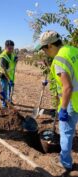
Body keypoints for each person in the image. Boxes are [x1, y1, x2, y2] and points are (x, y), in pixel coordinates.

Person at [36, 30, 78, 171]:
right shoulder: (73, 50)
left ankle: (65, 163)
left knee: (65, 132)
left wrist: (64, 109)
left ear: (50, 46)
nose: (44, 52)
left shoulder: (59, 59)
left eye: (43, 49)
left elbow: (67, 88)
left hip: (72, 101)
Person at [0, 40, 18, 108]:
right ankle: (4, 104)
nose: (11, 50)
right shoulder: (3, 57)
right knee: (4, 90)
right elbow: (4, 70)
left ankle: (9, 101)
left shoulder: (12, 54)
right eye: (9, 48)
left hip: (10, 76)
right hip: (3, 76)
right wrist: (9, 80)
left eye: (12, 48)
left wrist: (15, 60)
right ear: (5, 47)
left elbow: (12, 64)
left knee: (10, 90)